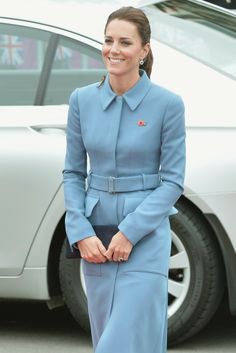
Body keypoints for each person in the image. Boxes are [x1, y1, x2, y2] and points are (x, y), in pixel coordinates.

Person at [63, 6, 186, 353]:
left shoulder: (168, 105)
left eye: (125, 42)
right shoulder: (81, 101)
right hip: (96, 241)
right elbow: (73, 172)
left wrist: (130, 232)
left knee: (121, 343)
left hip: (145, 239)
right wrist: (80, 232)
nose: (113, 49)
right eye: (108, 40)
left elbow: (173, 182)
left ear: (144, 50)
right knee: (109, 337)